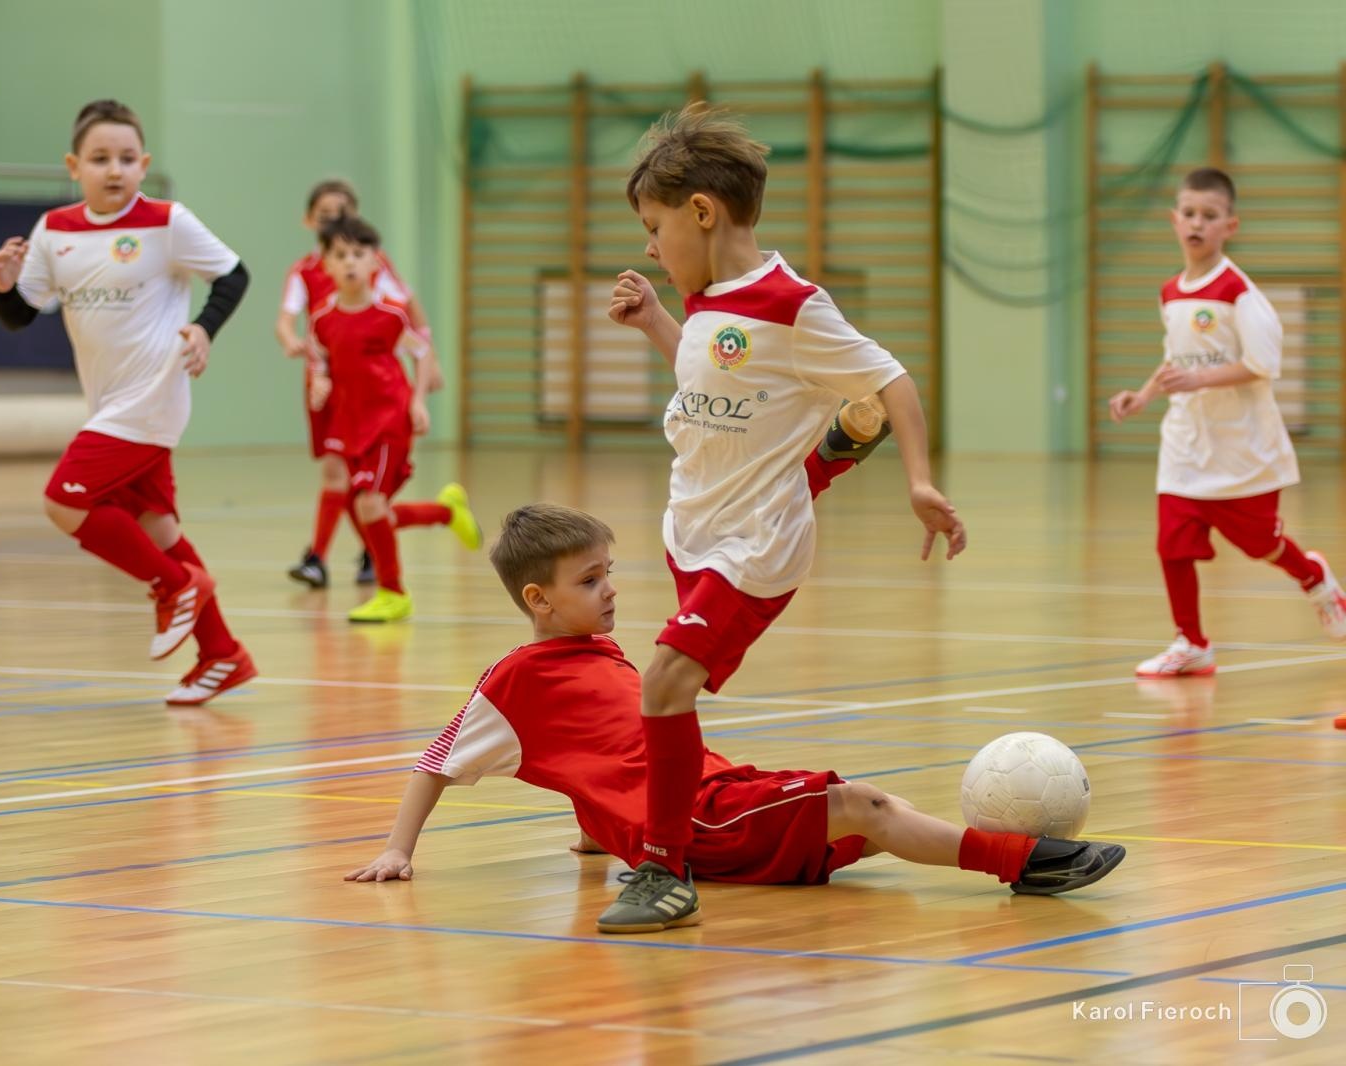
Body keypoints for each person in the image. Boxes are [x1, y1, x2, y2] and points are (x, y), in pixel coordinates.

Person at [344, 504, 1124, 930]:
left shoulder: (607, 656)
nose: (610, 590)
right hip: (696, 826)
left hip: (719, 797)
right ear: (538, 601)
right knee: (860, 806)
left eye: (609, 573)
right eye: (590, 580)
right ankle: (1026, 862)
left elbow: (593, 757)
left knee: (863, 805)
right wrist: (396, 849)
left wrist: (593, 828)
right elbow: (436, 760)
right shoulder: (514, 679)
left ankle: (1018, 856)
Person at [590, 103, 967, 931]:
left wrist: (920, 482)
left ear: (702, 212)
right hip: (695, 527)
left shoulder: (793, 305)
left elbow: (894, 380)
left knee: (664, 680)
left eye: (656, 228)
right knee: (668, 694)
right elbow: (711, 393)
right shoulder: (709, 306)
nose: (650, 248)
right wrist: (658, 320)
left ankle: (664, 868)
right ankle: (832, 449)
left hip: (755, 543)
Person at [0, 99, 255, 707]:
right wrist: (2, 285)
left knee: (63, 503)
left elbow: (234, 275)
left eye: (128, 159)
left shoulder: (167, 221)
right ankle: (223, 654)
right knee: (158, 528)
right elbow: (18, 315)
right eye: (101, 158)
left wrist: (203, 329)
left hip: (153, 398)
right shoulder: (54, 230)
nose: (115, 169)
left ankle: (173, 587)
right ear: (73, 165)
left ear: (145, 164)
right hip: (108, 403)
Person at [1109, 166, 1346, 677]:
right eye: (1189, 213)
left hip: (1241, 446)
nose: (1197, 223)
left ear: (1229, 226)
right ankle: (1191, 642)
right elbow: (1177, 359)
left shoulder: (1239, 292)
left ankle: (1314, 576)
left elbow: (1262, 364)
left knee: (1260, 543)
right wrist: (1144, 395)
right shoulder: (1170, 291)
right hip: (1187, 443)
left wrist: (1201, 380)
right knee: (1171, 542)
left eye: (1209, 216)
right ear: (1175, 220)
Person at [308, 215, 481, 623]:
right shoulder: (322, 320)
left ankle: (393, 592)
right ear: (326, 265)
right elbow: (320, 359)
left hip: (389, 420)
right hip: (351, 426)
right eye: (340, 255)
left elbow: (420, 352)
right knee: (371, 511)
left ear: (374, 263)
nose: (350, 262)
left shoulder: (391, 315)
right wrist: (320, 383)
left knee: (369, 504)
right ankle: (445, 512)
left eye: (358, 254)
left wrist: (419, 401)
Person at [276, 179, 443, 590]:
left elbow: (409, 313)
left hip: (377, 389)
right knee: (340, 474)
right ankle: (351, 551)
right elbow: (287, 320)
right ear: (309, 218)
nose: (335, 217)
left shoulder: (372, 261)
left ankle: (341, 554)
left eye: (343, 210)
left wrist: (429, 358)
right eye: (326, 211)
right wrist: (294, 344)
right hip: (332, 375)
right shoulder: (306, 271)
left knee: (358, 483)